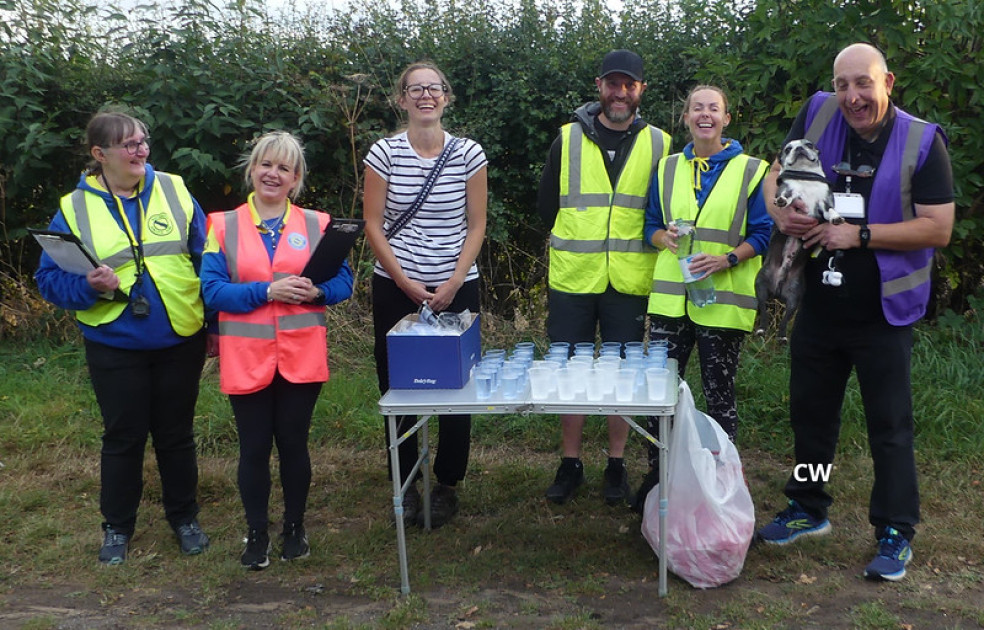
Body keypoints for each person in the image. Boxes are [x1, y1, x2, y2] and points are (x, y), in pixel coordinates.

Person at [756, 43, 954, 582]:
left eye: (863, 84)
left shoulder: (922, 139)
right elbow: (777, 173)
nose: (852, 96)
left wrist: (860, 235)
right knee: (810, 416)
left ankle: (895, 531)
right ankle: (808, 506)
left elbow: (938, 227)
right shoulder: (817, 111)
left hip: (885, 311)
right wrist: (781, 212)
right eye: (843, 84)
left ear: (887, 82)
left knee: (889, 426)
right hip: (819, 302)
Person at [35, 110, 210, 565]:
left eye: (143, 141)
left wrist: (216, 324)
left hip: (180, 335)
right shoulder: (73, 207)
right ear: (100, 154)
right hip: (114, 342)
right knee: (122, 438)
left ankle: (184, 517)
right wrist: (87, 287)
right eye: (128, 145)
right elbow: (48, 279)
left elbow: (208, 258)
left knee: (176, 435)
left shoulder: (173, 188)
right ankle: (117, 527)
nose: (140, 151)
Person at [201, 131, 354, 569]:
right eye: (266, 164)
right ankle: (256, 533)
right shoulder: (223, 225)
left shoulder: (317, 224)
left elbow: (343, 283)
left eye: (284, 168)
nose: (273, 173)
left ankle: (294, 528)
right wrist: (268, 290)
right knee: (253, 449)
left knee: (294, 445)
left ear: (296, 179)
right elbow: (211, 291)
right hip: (246, 359)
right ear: (252, 169)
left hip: (301, 356)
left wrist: (316, 293)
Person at [537, 49, 671, 506]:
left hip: (631, 281)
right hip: (573, 278)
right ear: (599, 87)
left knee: (624, 377)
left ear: (640, 91)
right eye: (612, 83)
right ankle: (570, 463)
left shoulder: (661, 144)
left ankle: (617, 464)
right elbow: (545, 208)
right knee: (570, 372)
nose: (620, 92)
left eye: (629, 85)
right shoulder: (567, 139)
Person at [634, 85, 772, 510]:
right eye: (697, 108)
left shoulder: (752, 170)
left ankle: (721, 481)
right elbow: (650, 226)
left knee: (718, 396)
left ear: (726, 119)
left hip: (723, 302)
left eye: (714, 108)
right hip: (670, 301)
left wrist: (728, 258)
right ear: (686, 117)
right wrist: (665, 237)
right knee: (660, 394)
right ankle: (658, 478)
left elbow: (764, 233)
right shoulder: (667, 168)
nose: (705, 114)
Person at [363, 61, 488, 529]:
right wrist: (404, 281)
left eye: (433, 88)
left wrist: (455, 281)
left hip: (457, 284)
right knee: (398, 385)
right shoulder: (383, 153)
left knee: (458, 386)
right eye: (415, 89)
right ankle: (406, 480)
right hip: (397, 285)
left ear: (446, 97)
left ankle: (448, 483)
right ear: (401, 100)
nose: (425, 96)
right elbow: (373, 225)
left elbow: (476, 224)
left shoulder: (469, 153)